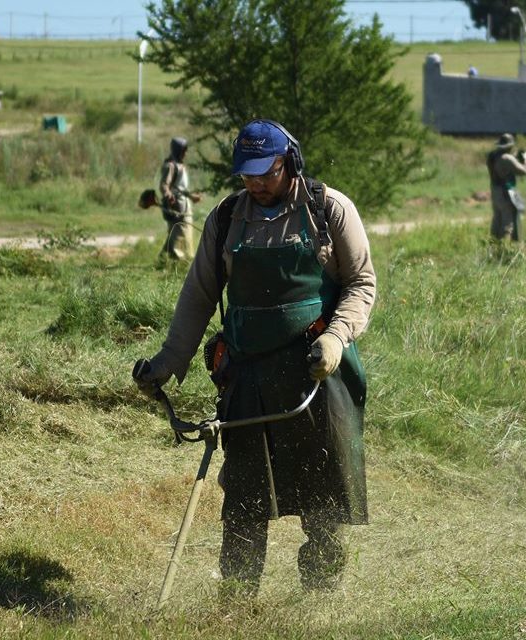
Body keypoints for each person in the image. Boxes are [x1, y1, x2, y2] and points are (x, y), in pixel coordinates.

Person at [134, 119, 376, 596]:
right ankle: (237, 603)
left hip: (315, 377)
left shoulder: (328, 209)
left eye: (266, 171)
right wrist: (167, 361)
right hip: (247, 378)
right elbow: (199, 296)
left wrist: (336, 338)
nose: (256, 182)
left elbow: (362, 284)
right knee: (244, 497)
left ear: (289, 163)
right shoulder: (226, 218)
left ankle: (321, 598)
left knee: (322, 495)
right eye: (247, 173)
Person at [158, 137, 201, 261]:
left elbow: (182, 188)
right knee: (178, 234)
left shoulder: (181, 166)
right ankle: (179, 260)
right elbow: (164, 185)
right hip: (176, 205)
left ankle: (165, 258)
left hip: (185, 205)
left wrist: (192, 197)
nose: (185, 154)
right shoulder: (170, 166)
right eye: (183, 151)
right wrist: (169, 195)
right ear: (177, 151)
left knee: (184, 233)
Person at [486, 133, 526, 246]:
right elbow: (524, 171)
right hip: (505, 191)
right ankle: (505, 248)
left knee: (497, 220)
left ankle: (493, 246)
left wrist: (515, 156)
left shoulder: (492, 155)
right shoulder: (507, 158)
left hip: (495, 190)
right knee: (508, 222)